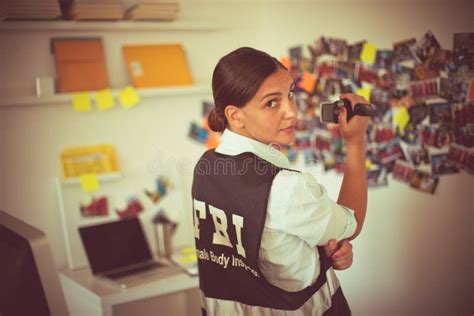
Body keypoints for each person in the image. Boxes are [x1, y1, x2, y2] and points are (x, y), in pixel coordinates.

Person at [191, 47, 369, 315]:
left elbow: (264, 242)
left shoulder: (206, 166)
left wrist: (321, 247)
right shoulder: (287, 187)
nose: (292, 112)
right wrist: (355, 142)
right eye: (271, 103)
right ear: (235, 115)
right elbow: (351, 222)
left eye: (290, 95)